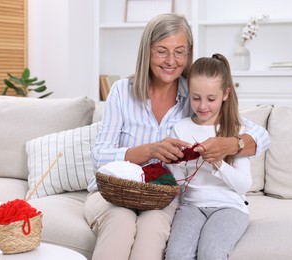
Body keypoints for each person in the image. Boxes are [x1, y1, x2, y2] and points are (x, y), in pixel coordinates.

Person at [84, 13, 269, 260]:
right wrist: (149, 151)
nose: (171, 60)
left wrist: (230, 144)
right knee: (121, 222)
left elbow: (259, 135)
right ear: (147, 52)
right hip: (113, 192)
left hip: (162, 197)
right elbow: (100, 158)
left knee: (152, 230)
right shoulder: (121, 92)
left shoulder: (195, 94)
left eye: (179, 51)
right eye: (161, 51)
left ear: (189, 53)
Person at [164, 53, 251, 260]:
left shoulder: (236, 130)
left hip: (229, 207)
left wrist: (219, 162)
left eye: (211, 99)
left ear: (225, 94)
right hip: (191, 206)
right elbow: (178, 186)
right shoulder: (180, 128)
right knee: (176, 255)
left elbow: (243, 185)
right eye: (196, 98)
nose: (202, 106)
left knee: (211, 254)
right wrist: (173, 161)